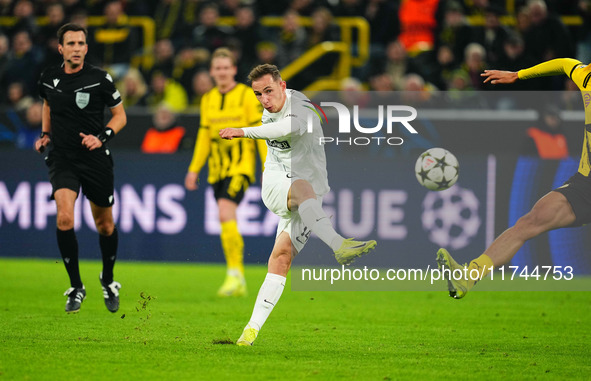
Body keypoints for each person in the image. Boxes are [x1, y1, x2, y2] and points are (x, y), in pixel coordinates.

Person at [219, 64, 377, 346]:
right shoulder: (269, 112)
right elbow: (278, 130)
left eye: (268, 91)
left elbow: (290, 127)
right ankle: (339, 245)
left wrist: (243, 131)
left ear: (283, 85)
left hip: (311, 197)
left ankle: (250, 332)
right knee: (303, 187)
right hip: (277, 183)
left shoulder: (300, 105)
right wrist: (246, 131)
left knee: (281, 257)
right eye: (258, 94)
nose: (264, 100)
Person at [437, 58, 591, 299]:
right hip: (586, 183)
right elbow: (564, 64)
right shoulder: (586, 76)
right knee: (532, 220)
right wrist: (519, 74)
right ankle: (470, 275)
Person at [34, 23, 127, 313]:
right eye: (71, 43)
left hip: (95, 159)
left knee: (105, 225)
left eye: (81, 43)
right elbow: (47, 105)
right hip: (63, 158)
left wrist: (102, 138)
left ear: (87, 48)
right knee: (64, 218)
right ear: (60, 48)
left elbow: (120, 116)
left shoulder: (100, 79)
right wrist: (45, 135)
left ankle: (108, 280)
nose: (76, 48)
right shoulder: (49, 78)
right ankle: (76, 286)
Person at [184, 47, 266, 297]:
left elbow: (259, 132)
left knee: (224, 211)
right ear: (212, 71)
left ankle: (234, 274)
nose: (221, 72)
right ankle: (237, 276)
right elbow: (203, 137)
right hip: (216, 170)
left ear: (233, 70)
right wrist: (193, 169)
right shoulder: (207, 99)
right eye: (217, 68)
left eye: (225, 67)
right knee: (225, 217)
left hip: (240, 167)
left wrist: (267, 166)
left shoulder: (246, 96)